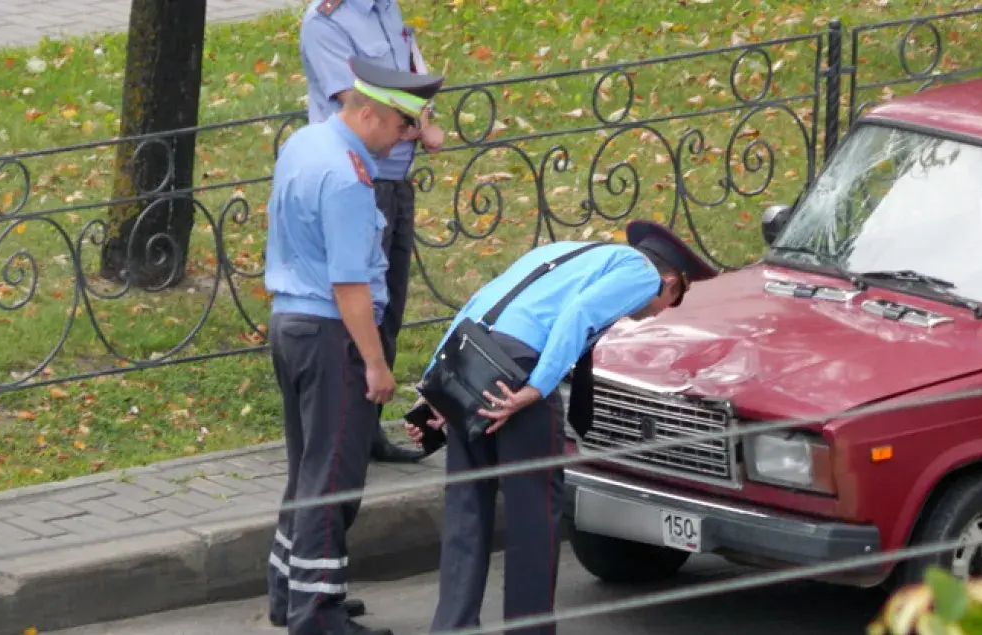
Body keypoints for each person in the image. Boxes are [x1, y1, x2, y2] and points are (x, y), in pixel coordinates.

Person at [404, 220, 718, 635]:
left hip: (474, 363)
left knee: (466, 511)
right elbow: (581, 314)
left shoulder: (561, 252)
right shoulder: (641, 273)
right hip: (518, 372)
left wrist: (435, 392)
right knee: (533, 519)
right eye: (672, 301)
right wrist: (535, 388)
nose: (659, 311)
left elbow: (476, 304)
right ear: (671, 281)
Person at [263, 55, 445, 635]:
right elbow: (349, 284)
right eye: (398, 125)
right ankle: (317, 613)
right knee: (335, 477)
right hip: (331, 335)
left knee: (308, 468)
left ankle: (289, 591)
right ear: (368, 112)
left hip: (290, 323)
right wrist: (375, 362)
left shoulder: (305, 142)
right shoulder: (346, 177)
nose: (402, 139)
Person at [300, 0, 447, 465]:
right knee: (353, 307)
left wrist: (418, 122)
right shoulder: (325, 21)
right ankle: (335, 437)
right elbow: (357, 106)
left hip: (397, 181)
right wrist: (417, 126)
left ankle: (365, 434)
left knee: (388, 309)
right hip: (355, 182)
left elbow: (413, 77)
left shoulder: (388, 9)